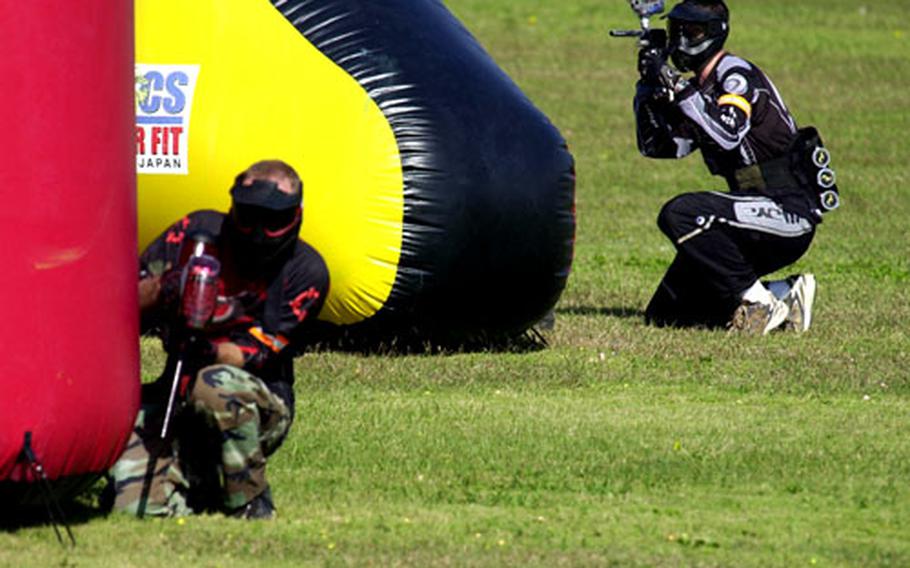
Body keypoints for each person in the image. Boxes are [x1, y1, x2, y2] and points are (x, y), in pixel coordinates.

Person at [106, 159, 329, 519]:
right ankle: (196, 486)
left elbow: (252, 355)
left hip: (257, 404)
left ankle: (249, 501)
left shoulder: (306, 273)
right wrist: (171, 286)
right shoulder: (193, 236)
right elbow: (123, 299)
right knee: (137, 508)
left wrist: (206, 345)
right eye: (248, 215)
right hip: (173, 395)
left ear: (295, 214)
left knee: (215, 384)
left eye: (270, 220)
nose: (257, 231)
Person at [632, 0, 839, 333]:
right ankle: (785, 294)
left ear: (715, 34)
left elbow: (727, 133)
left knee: (679, 213)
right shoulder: (700, 90)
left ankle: (758, 301)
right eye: (676, 31)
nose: (681, 41)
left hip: (787, 211)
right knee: (667, 316)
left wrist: (674, 81)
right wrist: (648, 89)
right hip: (745, 218)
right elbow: (662, 147)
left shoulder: (735, 75)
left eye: (691, 32)